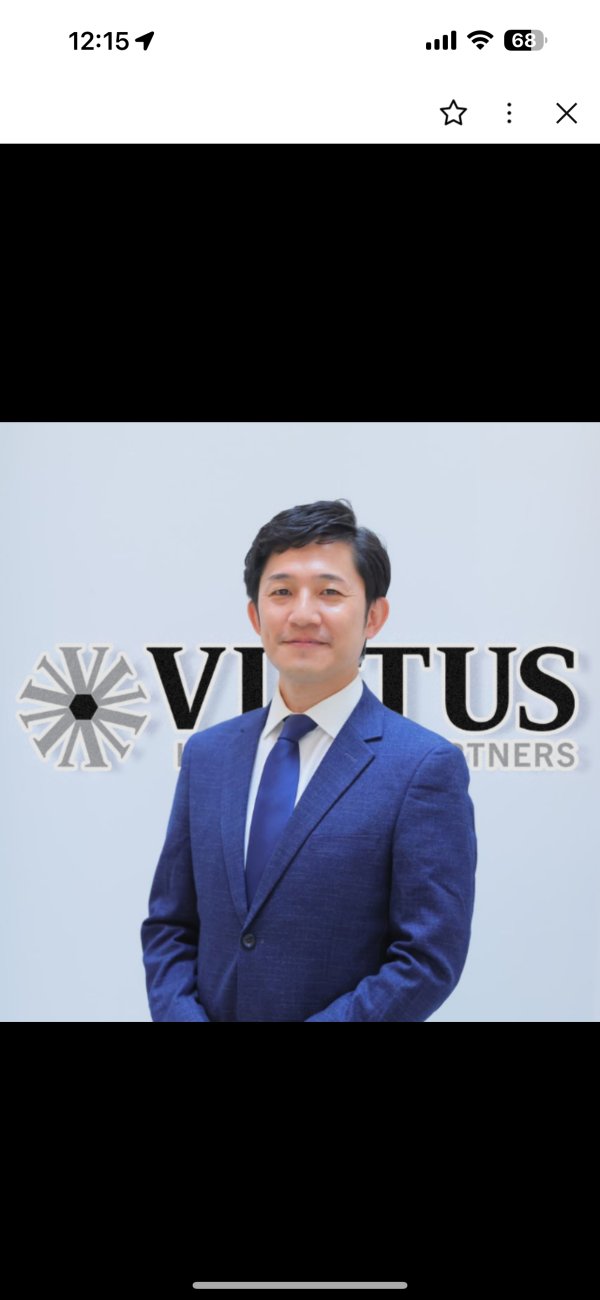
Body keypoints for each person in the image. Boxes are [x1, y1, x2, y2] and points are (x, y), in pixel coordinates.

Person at [140, 498, 477, 1021]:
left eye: (329, 592)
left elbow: (427, 959)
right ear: (255, 616)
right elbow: (170, 926)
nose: (302, 613)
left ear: (374, 616)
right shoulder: (208, 756)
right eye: (281, 592)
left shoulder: (422, 767)